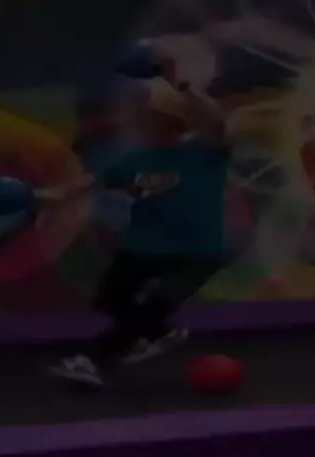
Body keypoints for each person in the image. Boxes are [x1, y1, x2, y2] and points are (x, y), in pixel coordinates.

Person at [40, 62, 230, 386]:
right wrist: (49, 196)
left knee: (155, 304)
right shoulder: (133, 159)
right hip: (143, 246)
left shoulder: (206, 151)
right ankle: (160, 334)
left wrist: (183, 86)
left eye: (150, 115)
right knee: (108, 300)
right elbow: (90, 183)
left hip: (197, 251)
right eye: (144, 115)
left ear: (171, 121)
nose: (143, 120)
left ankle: (92, 360)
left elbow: (215, 121)